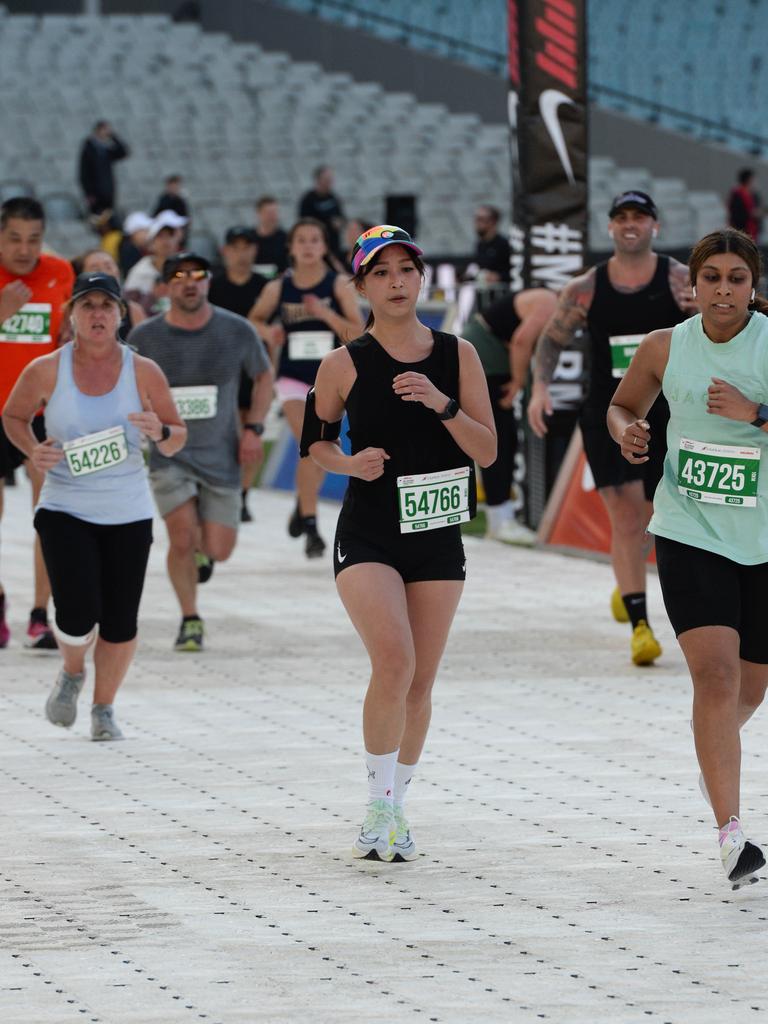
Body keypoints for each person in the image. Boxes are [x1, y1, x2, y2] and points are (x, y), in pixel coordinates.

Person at [302, 225, 495, 861]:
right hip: (371, 531)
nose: (395, 283)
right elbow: (318, 443)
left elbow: (488, 451)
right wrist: (349, 465)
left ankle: (399, 804)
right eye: (380, 273)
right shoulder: (343, 363)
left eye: (405, 270)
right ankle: (377, 807)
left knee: (420, 684)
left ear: (421, 278)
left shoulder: (458, 355)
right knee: (394, 661)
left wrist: (442, 404)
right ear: (361, 286)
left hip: (438, 531)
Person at [607, 227, 768, 889]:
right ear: (692, 285)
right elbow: (620, 405)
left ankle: (714, 749)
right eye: (712, 279)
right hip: (689, 528)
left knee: (750, 689)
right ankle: (732, 835)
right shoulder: (664, 347)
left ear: (753, 286)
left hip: (762, 543)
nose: (723, 290)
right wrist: (630, 432)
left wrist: (756, 414)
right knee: (717, 679)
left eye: (736, 278)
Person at [2, 272, 186, 739]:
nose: (98, 314)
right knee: (77, 612)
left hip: (127, 509)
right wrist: (32, 449)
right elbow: (13, 415)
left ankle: (103, 709)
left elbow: (176, 436)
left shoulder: (143, 371)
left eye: (107, 305)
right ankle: (71, 671)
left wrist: (158, 431)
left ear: (122, 314)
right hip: (64, 505)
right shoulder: (47, 368)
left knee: (121, 622)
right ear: (72, 315)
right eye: (88, 306)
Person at [528, 190, 696, 665]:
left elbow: (710, 331)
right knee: (624, 517)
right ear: (610, 227)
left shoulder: (679, 278)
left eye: (639, 217)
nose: (630, 224)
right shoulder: (586, 287)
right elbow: (552, 339)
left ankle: (629, 584)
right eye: (621, 217)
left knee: (650, 518)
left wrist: (694, 308)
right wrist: (540, 389)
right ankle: (641, 625)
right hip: (610, 411)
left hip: (666, 412)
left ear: (654, 226)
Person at [129, 252, 273, 653]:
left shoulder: (236, 330)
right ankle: (190, 618)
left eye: (197, 275)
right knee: (180, 535)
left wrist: (254, 429)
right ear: (165, 287)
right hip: (168, 456)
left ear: (208, 281)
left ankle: (204, 556)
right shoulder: (146, 338)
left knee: (218, 549)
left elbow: (263, 375)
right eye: (178, 276)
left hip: (220, 456)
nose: (188, 282)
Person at [250, 218, 362, 557]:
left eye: (315, 239)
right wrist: (270, 333)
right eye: (302, 240)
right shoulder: (278, 288)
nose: (309, 245)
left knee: (320, 445)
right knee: (310, 441)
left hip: (329, 379)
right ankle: (312, 526)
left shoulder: (338, 284)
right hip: (292, 378)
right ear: (292, 247)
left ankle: (303, 503)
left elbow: (357, 333)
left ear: (324, 247)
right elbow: (253, 319)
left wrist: (324, 314)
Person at [0, 196, 75, 651]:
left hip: (42, 412)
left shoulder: (59, 272)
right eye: (14, 239)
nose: (25, 249)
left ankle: (40, 614)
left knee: (47, 516)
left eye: (33, 239)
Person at [463, 287, 557, 542]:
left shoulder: (552, 304)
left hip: (493, 356)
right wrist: (518, 381)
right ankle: (499, 518)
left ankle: (500, 517)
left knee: (503, 438)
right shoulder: (549, 302)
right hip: (487, 356)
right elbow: (522, 341)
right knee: (498, 439)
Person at [209, 226, 270, 521]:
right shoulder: (214, 287)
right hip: (223, 373)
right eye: (236, 246)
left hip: (256, 372)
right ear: (226, 251)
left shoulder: (264, 286)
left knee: (253, 435)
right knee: (228, 437)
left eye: (248, 246)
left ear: (254, 251)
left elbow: (273, 332)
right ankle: (228, 493)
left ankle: (243, 495)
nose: (242, 252)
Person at [70, 250, 147, 340]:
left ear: (118, 272)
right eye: (95, 269)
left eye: (108, 267)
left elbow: (145, 346)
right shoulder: (71, 312)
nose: (103, 272)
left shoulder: (133, 311)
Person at [124, 210, 186, 316]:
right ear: (151, 243)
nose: (166, 241)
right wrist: (152, 296)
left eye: (170, 235)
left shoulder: (188, 267)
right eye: (160, 236)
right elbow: (129, 308)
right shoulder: (139, 272)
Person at [78, 120, 130, 216]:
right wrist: (89, 193)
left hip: (108, 191)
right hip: (95, 193)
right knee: (97, 219)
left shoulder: (105, 150)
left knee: (109, 218)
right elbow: (84, 172)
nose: (106, 133)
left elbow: (123, 152)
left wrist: (113, 137)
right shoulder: (89, 149)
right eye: (105, 130)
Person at [298, 167, 345, 260]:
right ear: (318, 180)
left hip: (333, 246)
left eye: (330, 179)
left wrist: (340, 222)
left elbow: (342, 217)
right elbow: (304, 222)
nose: (329, 182)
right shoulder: (308, 199)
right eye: (326, 179)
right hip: (315, 246)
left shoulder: (334, 198)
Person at [473, 205, 511, 285]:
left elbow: (514, 272)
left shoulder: (504, 245)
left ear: (492, 221)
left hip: (501, 293)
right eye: (476, 219)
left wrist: (498, 277)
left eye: (481, 219)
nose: (477, 223)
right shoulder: (480, 245)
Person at [254, 196, 288, 275]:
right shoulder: (249, 239)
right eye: (268, 213)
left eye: (275, 212)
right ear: (258, 213)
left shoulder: (286, 238)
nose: (272, 217)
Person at [727, 169, 761, 242]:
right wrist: (751, 214)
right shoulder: (737, 194)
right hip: (741, 233)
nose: (756, 182)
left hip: (753, 233)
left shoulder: (754, 195)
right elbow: (735, 214)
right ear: (749, 180)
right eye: (754, 179)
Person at [119, 211, 152, 277]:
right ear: (134, 233)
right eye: (145, 230)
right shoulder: (129, 252)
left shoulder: (142, 248)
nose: (149, 233)